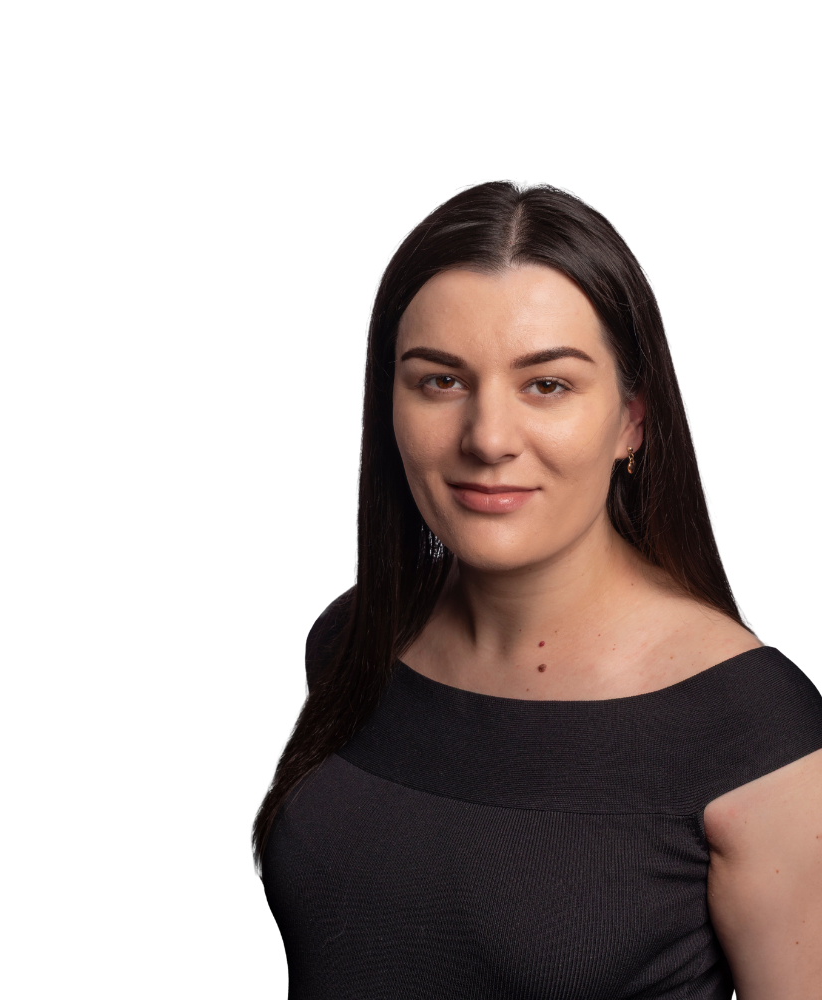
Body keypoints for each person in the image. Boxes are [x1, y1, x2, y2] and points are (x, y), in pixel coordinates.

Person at [253, 181, 821, 998]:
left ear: (633, 420)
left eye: (546, 384)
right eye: (440, 380)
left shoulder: (759, 732)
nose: (487, 439)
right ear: (390, 404)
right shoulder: (349, 640)